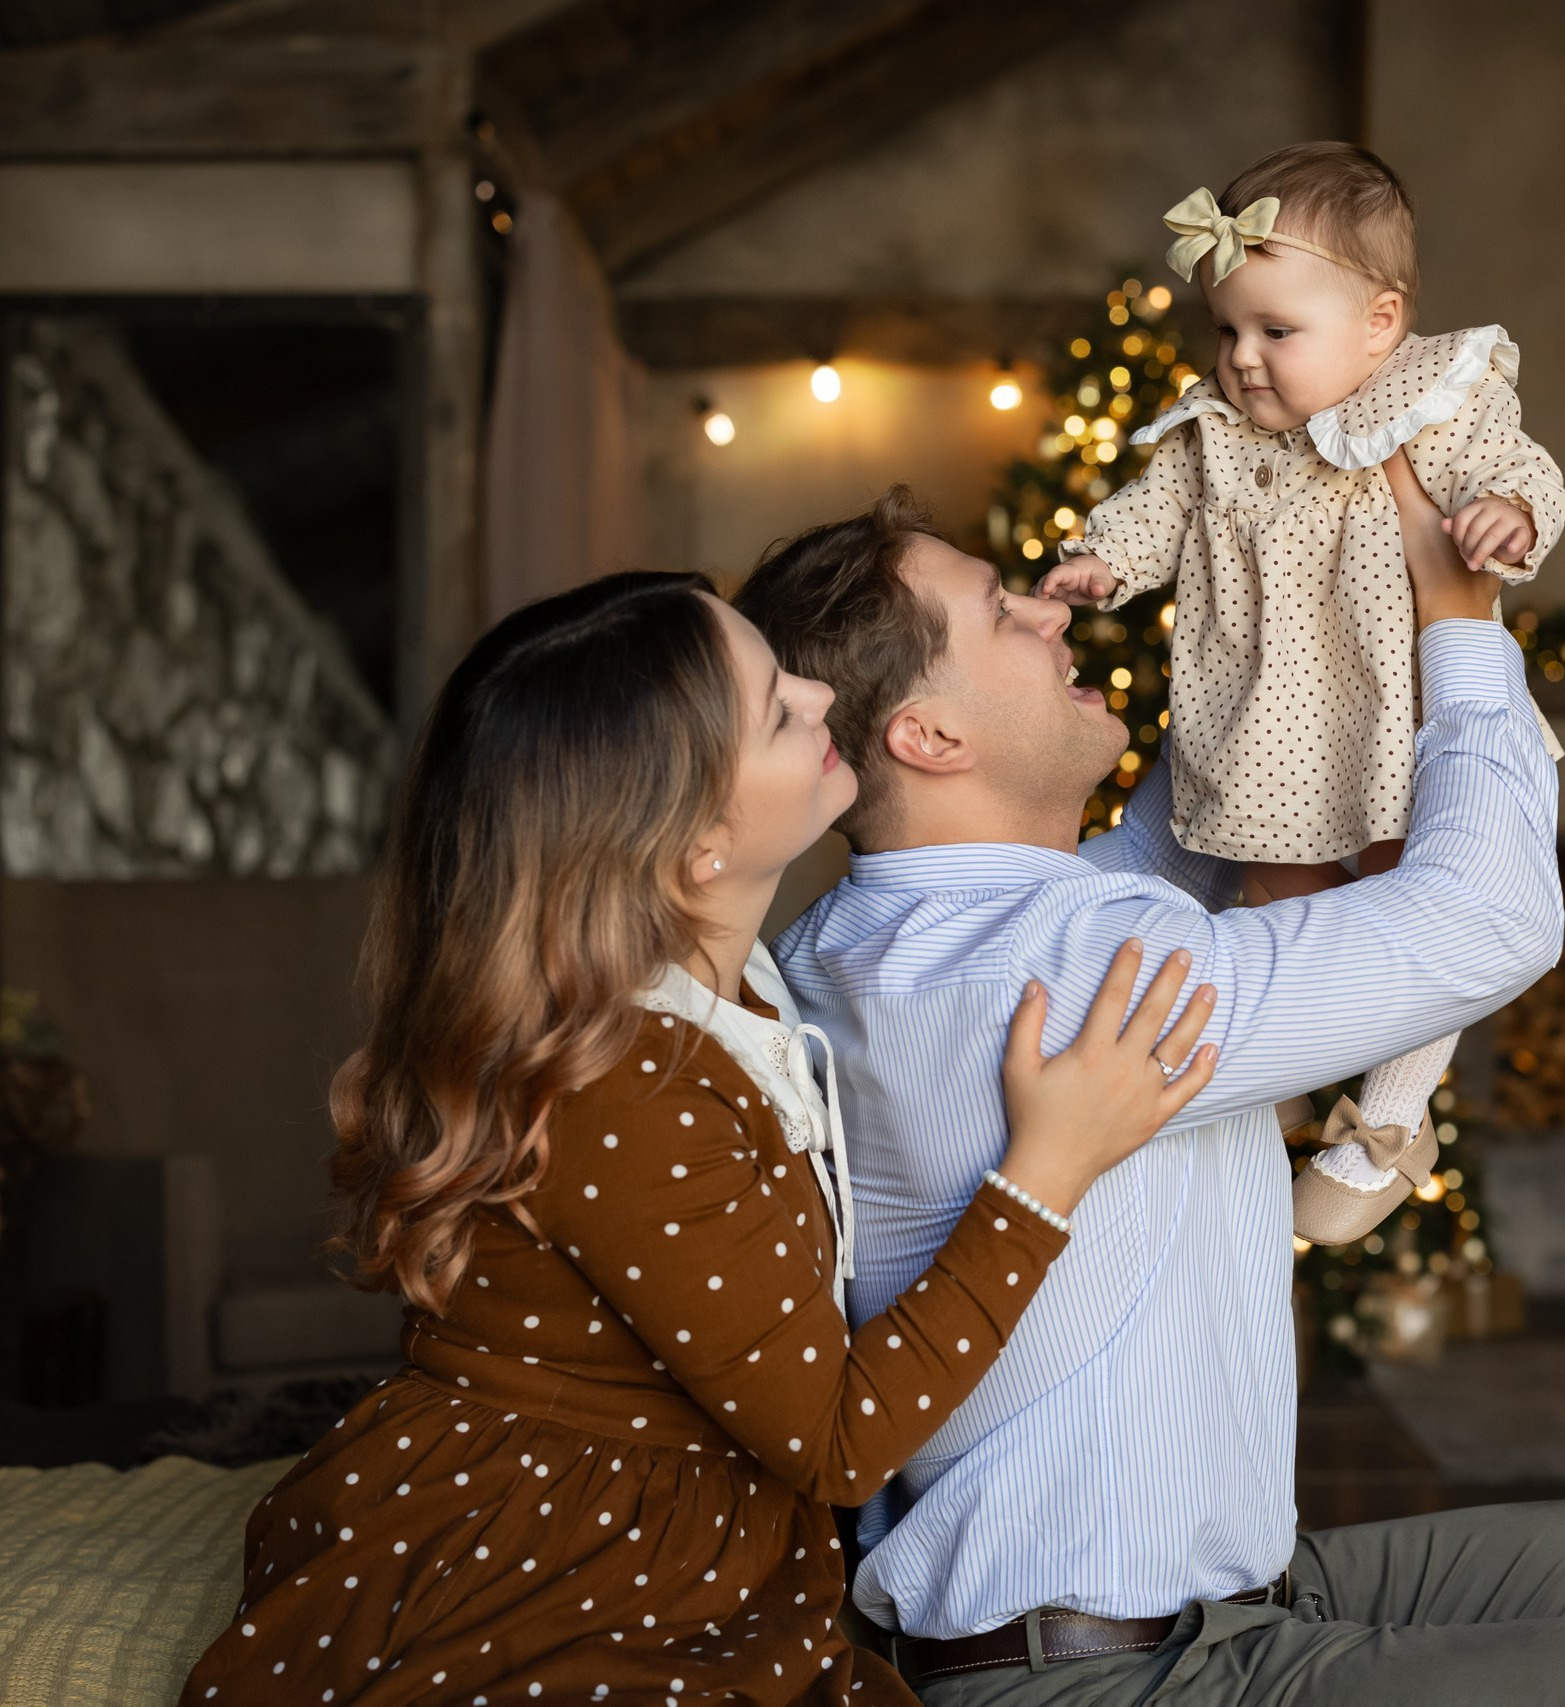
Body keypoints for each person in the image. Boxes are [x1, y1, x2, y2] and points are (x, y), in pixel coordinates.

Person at [735, 494, 1565, 1705]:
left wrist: (1304, 575)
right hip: (1102, 1674)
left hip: (1195, 1598)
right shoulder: (1053, 969)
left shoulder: (887, 933)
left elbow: (1198, 820)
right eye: (999, 612)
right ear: (928, 738)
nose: (1044, 608)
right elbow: (1489, 920)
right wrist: (1459, 623)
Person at [180, 571, 1221, 1706]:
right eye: (779, 707)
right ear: (696, 850)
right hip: (558, 1558)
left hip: (687, 1521)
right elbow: (837, 1439)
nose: (823, 695)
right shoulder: (624, 1083)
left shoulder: (746, 990)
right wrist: (1044, 1172)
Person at [1039, 141, 1565, 1243]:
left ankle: (1386, 1123)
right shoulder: (1214, 435)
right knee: (1279, 902)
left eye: (1277, 332)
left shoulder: (1438, 397)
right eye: (1227, 330)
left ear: (1379, 323)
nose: (1242, 360)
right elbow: (1154, 510)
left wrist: (1507, 513)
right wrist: (1105, 563)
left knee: (1407, 903)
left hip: (1399, 713)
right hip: (1274, 727)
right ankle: (1289, 1058)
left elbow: (1518, 466)